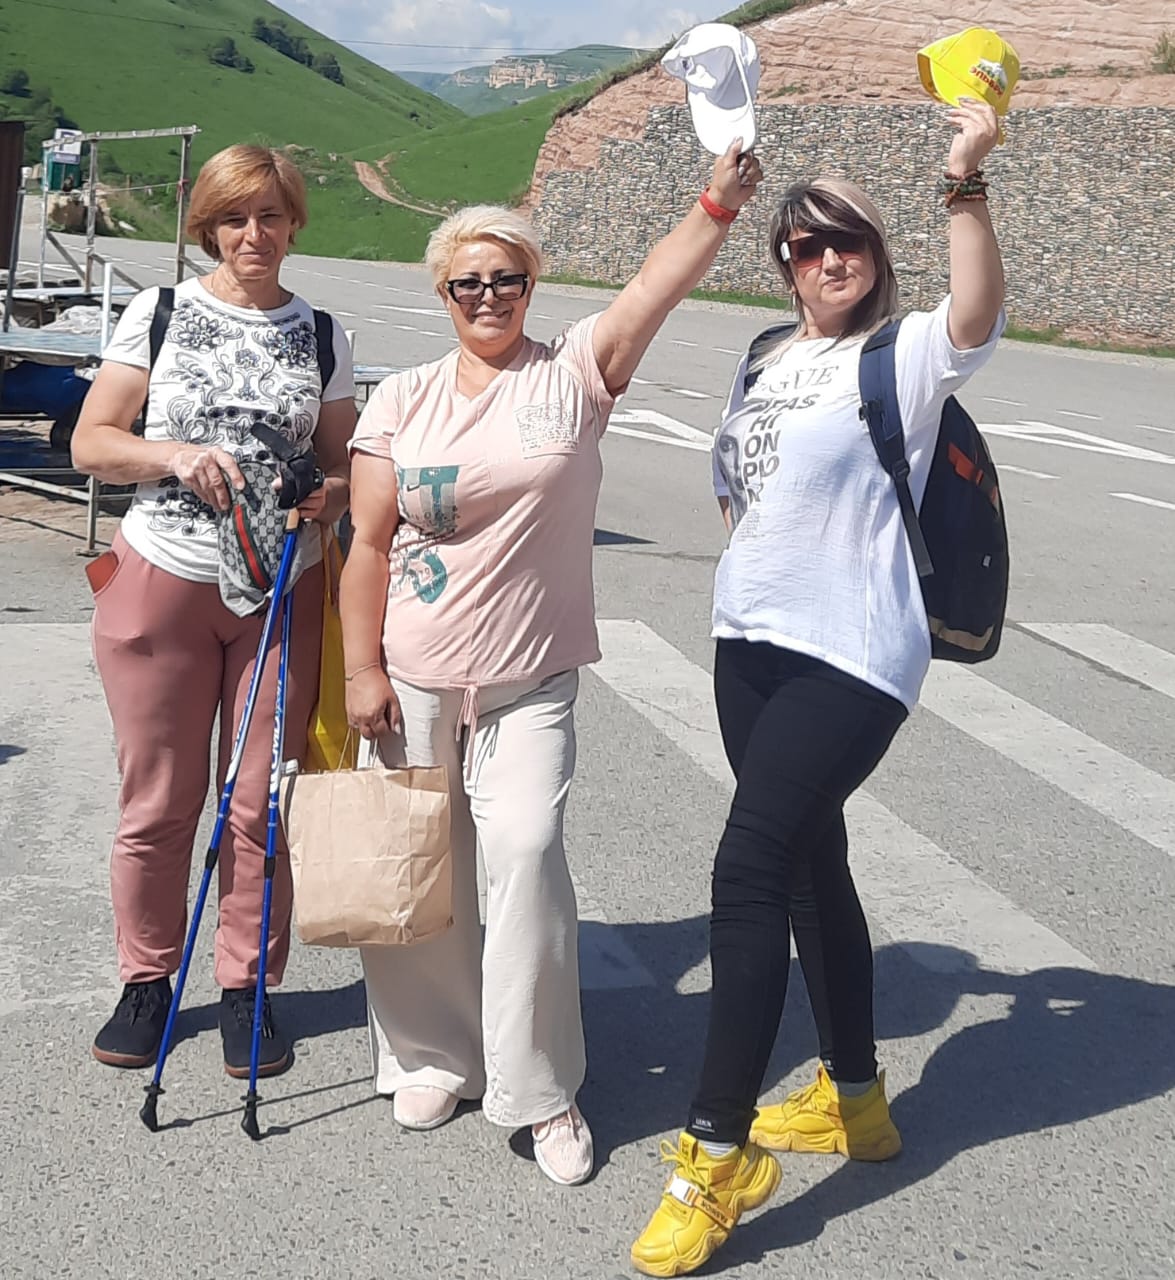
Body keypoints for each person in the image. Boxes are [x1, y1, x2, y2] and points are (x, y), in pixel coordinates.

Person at [631, 97, 1007, 1275]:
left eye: (848, 239)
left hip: (852, 651)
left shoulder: (903, 356)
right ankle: (856, 1100)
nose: (827, 257)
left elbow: (975, 308)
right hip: (748, 641)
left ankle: (714, 1153)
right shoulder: (764, 356)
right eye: (805, 242)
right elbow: (737, 485)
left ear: (875, 257)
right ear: (784, 262)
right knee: (806, 863)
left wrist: (962, 177)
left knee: (744, 869)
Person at [341, 141, 763, 1186]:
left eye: (508, 277)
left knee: (525, 857)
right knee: (413, 872)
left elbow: (652, 289)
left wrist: (714, 203)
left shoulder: (573, 374)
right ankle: (431, 1055)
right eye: (468, 281)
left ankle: (539, 1089)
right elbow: (367, 544)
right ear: (442, 293)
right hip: (413, 675)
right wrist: (360, 670)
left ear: (532, 285)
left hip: (527, 683)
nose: (488, 294)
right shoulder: (403, 398)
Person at [71, 144, 356, 1081]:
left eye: (270, 216)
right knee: (158, 798)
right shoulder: (159, 313)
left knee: (259, 801)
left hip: (280, 589)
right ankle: (146, 980)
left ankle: (247, 986)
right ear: (208, 228)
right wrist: (174, 456)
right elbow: (93, 443)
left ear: (294, 224)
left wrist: (326, 494)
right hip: (164, 575)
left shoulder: (321, 334)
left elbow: (343, 468)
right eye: (234, 218)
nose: (253, 235)